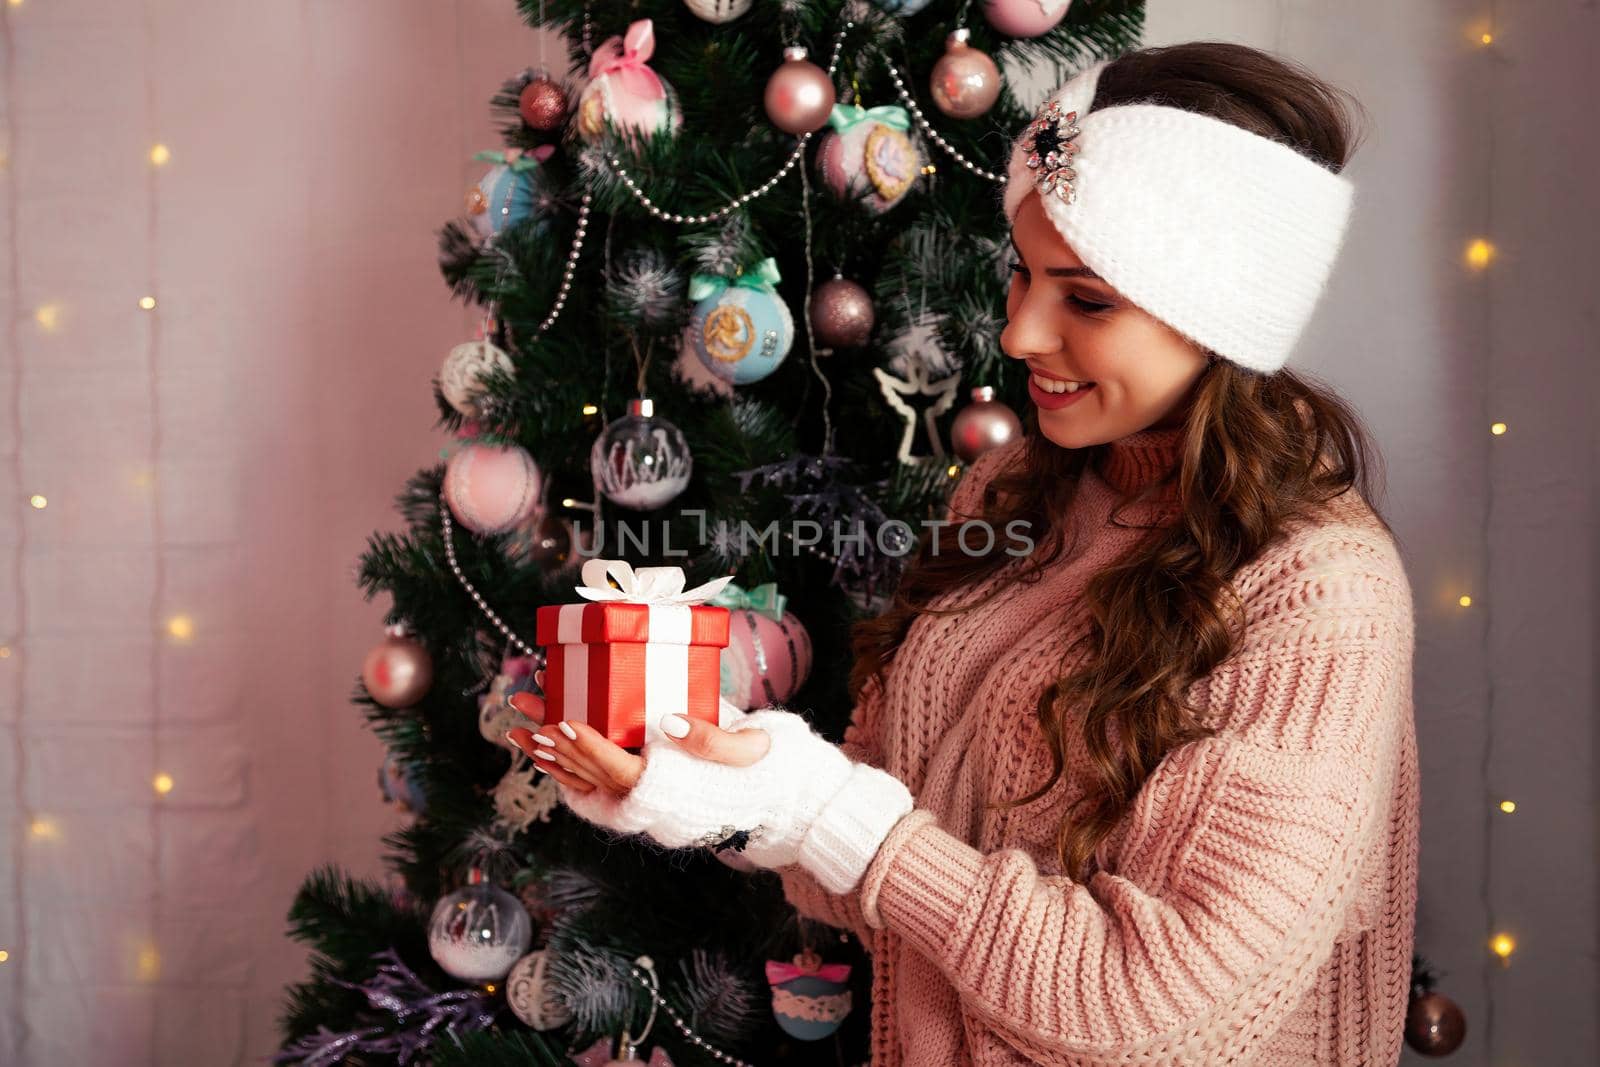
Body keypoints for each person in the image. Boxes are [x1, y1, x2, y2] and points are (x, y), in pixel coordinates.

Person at [508, 41, 1418, 1066]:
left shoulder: (1319, 591)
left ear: (1222, 319)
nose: (1020, 332)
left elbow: (1159, 1006)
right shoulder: (1015, 492)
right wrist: (728, 786)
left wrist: (827, 809)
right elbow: (881, 861)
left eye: (1086, 299)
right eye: (1023, 272)